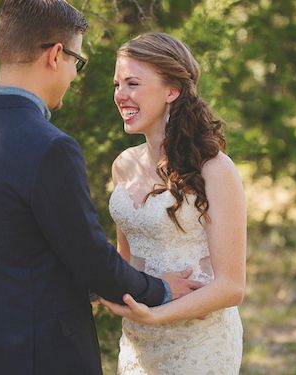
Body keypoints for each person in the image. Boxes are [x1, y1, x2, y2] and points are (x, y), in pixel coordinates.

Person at [0, 2, 200, 374]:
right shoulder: (50, 147)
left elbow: (12, 243)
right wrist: (162, 290)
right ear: (56, 55)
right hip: (44, 354)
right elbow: (91, 259)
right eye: (77, 61)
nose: (74, 76)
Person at [100, 32, 246, 374]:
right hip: (137, 342)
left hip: (199, 344)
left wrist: (154, 313)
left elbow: (232, 286)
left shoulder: (215, 169)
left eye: (132, 83)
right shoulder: (122, 165)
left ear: (172, 90)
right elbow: (126, 263)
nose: (121, 95)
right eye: (117, 84)